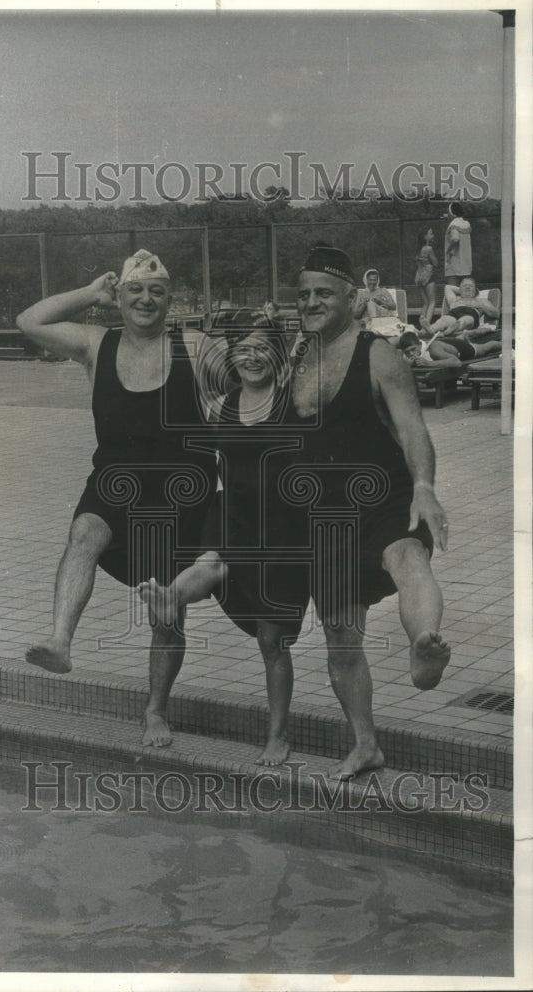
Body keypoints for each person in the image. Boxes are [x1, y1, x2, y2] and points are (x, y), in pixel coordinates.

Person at [16, 250, 222, 748]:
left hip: (180, 494)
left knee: (165, 614)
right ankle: (61, 642)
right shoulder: (95, 344)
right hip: (115, 481)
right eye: (134, 290)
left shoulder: (194, 346)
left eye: (156, 291)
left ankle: (155, 711)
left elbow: (253, 386)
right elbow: (29, 321)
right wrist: (90, 293)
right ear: (120, 298)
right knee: (84, 533)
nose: (145, 299)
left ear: (170, 299)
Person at [288, 245, 451, 779]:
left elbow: (411, 429)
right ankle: (366, 744)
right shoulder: (297, 356)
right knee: (340, 634)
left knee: (407, 559)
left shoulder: (378, 355)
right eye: (304, 294)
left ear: (352, 300)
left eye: (324, 294)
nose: (311, 302)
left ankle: (424, 644)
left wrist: (424, 486)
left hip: (383, 495)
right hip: (324, 514)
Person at [139, 311, 310, 767]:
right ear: (231, 354)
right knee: (210, 563)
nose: (251, 357)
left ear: (277, 353)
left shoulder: (297, 401)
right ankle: (170, 596)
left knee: (272, 642)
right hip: (232, 517)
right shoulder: (221, 406)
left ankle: (278, 735)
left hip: (284, 534)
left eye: (261, 347)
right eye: (242, 348)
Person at [430, 276, 500, 342]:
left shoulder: (481, 301)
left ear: (475, 290)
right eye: (464, 286)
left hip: (471, 314)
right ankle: (431, 329)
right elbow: (447, 287)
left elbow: (496, 314)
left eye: (470, 286)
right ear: (459, 290)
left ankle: (449, 330)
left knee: (465, 320)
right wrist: (461, 291)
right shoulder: (454, 300)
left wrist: (480, 305)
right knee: (444, 320)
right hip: (453, 313)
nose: (467, 287)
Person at [354, 269, 406, 344]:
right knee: (370, 303)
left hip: (383, 319)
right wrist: (364, 304)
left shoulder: (383, 291)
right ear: (366, 280)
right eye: (370, 280)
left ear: (377, 281)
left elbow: (393, 306)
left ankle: (378, 332)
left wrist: (380, 301)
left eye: (374, 280)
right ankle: (377, 332)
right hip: (368, 322)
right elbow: (356, 315)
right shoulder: (361, 293)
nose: (372, 282)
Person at [414, 228, 439, 331]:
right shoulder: (428, 249)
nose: (433, 235)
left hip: (419, 277)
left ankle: (421, 325)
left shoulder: (418, 250)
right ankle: (426, 325)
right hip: (428, 276)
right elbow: (436, 263)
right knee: (433, 302)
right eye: (431, 234)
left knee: (426, 302)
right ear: (425, 237)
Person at [443, 202, 472, 286]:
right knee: (464, 290)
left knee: (453, 289)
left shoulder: (453, 224)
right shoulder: (466, 224)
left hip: (454, 261)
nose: (447, 214)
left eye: (448, 212)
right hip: (465, 262)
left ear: (452, 213)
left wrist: (448, 252)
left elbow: (455, 239)